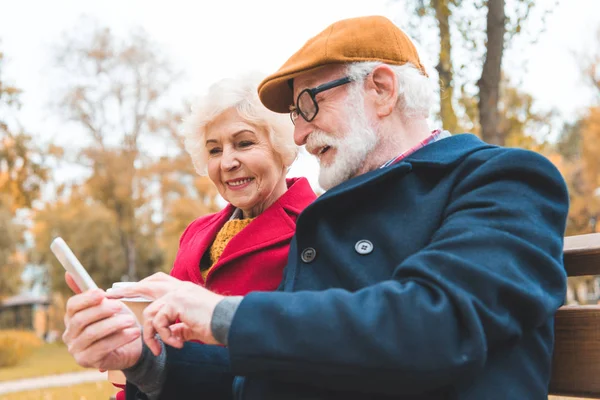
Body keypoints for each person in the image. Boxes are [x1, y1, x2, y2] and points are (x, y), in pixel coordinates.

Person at [68, 15, 570, 399]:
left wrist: (221, 313)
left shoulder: (501, 179)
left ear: (380, 88)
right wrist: (143, 360)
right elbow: (269, 377)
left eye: (307, 105)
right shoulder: (331, 216)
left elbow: (436, 327)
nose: (301, 134)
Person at [62, 72, 315, 400]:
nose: (227, 162)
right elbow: (161, 347)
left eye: (244, 143)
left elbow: (301, 357)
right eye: (214, 150)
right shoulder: (196, 233)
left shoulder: (316, 228)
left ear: (282, 148)